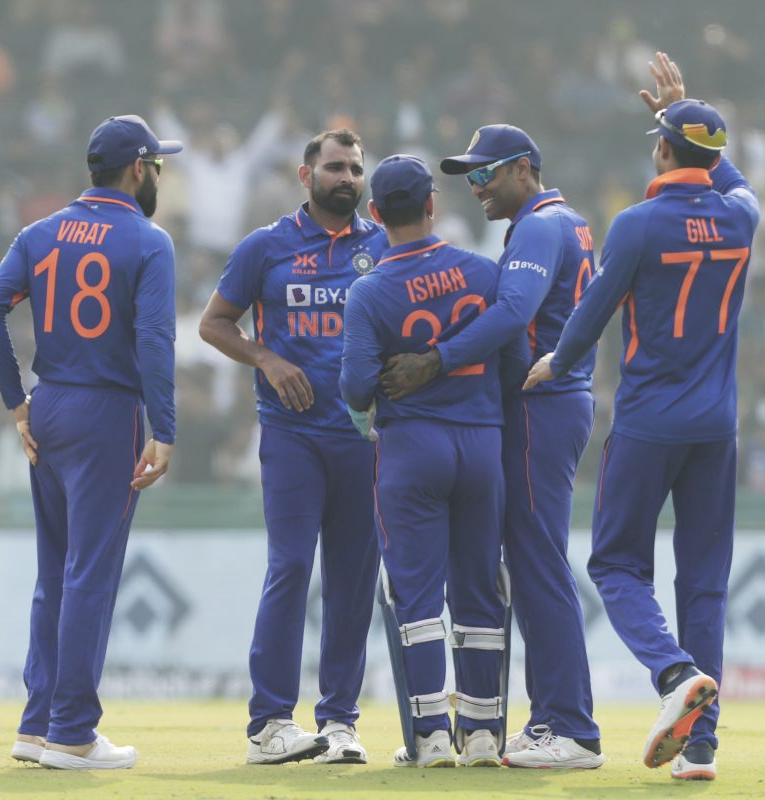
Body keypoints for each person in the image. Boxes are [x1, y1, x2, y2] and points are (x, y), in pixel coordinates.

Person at [523, 52, 761, 782]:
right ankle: (702, 747)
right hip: (716, 427)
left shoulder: (636, 225)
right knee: (704, 581)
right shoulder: (743, 217)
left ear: (662, 152)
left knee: (616, 563)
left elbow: (592, 314)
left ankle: (673, 673)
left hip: (650, 422)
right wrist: (687, 118)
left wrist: (555, 362)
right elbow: (731, 178)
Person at [381, 126, 603, 768]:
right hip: (557, 401)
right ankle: (554, 718)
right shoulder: (565, 222)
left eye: (486, 173)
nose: (476, 186)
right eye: (470, 176)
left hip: (539, 404)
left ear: (524, 169)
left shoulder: (538, 228)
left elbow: (511, 314)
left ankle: (570, 727)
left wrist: (436, 361)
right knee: (534, 560)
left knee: (537, 562)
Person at [0, 114, 182, 770]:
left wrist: (16, 401)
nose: (158, 176)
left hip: (50, 403)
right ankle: (72, 732)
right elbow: (154, 338)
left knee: (56, 573)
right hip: (107, 412)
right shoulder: (149, 240)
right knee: (91, 572)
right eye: (157, 166)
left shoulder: (40, 232)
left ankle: (37, 724)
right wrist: (165, 427)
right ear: (138, 169)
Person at [198, 129, 387, 765]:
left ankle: (339, 722)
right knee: (290, 569)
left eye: (355, 168)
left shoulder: (383, 246)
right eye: (335, 167)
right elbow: (213, 323)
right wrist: (267, 358)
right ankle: (270, 724)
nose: (347, 178)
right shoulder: (266, 246)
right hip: (292, 435)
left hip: (363, 437)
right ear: (306, 177)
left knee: (354, 582)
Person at [339, 155, 518, 768]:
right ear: (432, 206)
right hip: (482, 444)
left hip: (412, 449)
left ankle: (432, 736)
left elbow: (355, 386)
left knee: (414, 595)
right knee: (480, 588)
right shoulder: (482, 272)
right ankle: (484, 733)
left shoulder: (369, 291)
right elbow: (511, 352)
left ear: (374, 213)